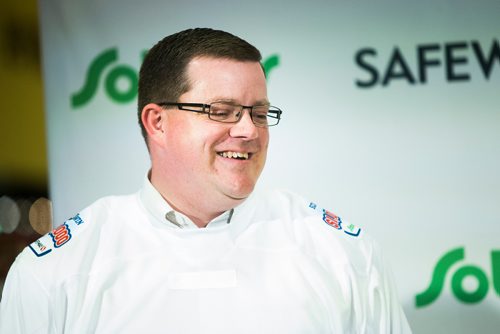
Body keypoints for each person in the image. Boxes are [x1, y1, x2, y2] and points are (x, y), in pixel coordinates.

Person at [0, 28, 411, 333]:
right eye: (223, 111)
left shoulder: (344, 255)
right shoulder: (57, 272)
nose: (249, 130)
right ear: (157, 122)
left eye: (260, 112)